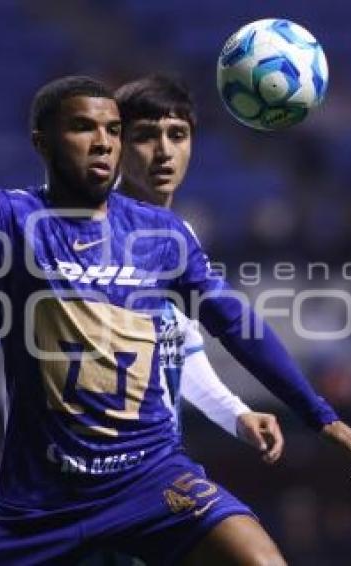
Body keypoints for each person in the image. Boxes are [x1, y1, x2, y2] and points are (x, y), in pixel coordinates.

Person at [0, 75, 351, 565]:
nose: (102, 142)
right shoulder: (12, 216)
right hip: (41, 502)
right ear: (41, 142)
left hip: (148, 479)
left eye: (112, 130)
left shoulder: (161, 232)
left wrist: (318, 414)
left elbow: (235, 322)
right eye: (83, 128)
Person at [115, 74, 283, 462]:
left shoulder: (179, 234)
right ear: (116, 146)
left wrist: (236, 414)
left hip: (155, 466)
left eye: (178, 135)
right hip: (94, 478)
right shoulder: (87, 231)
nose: (164, 152)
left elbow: (180, 349)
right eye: (144, 136)